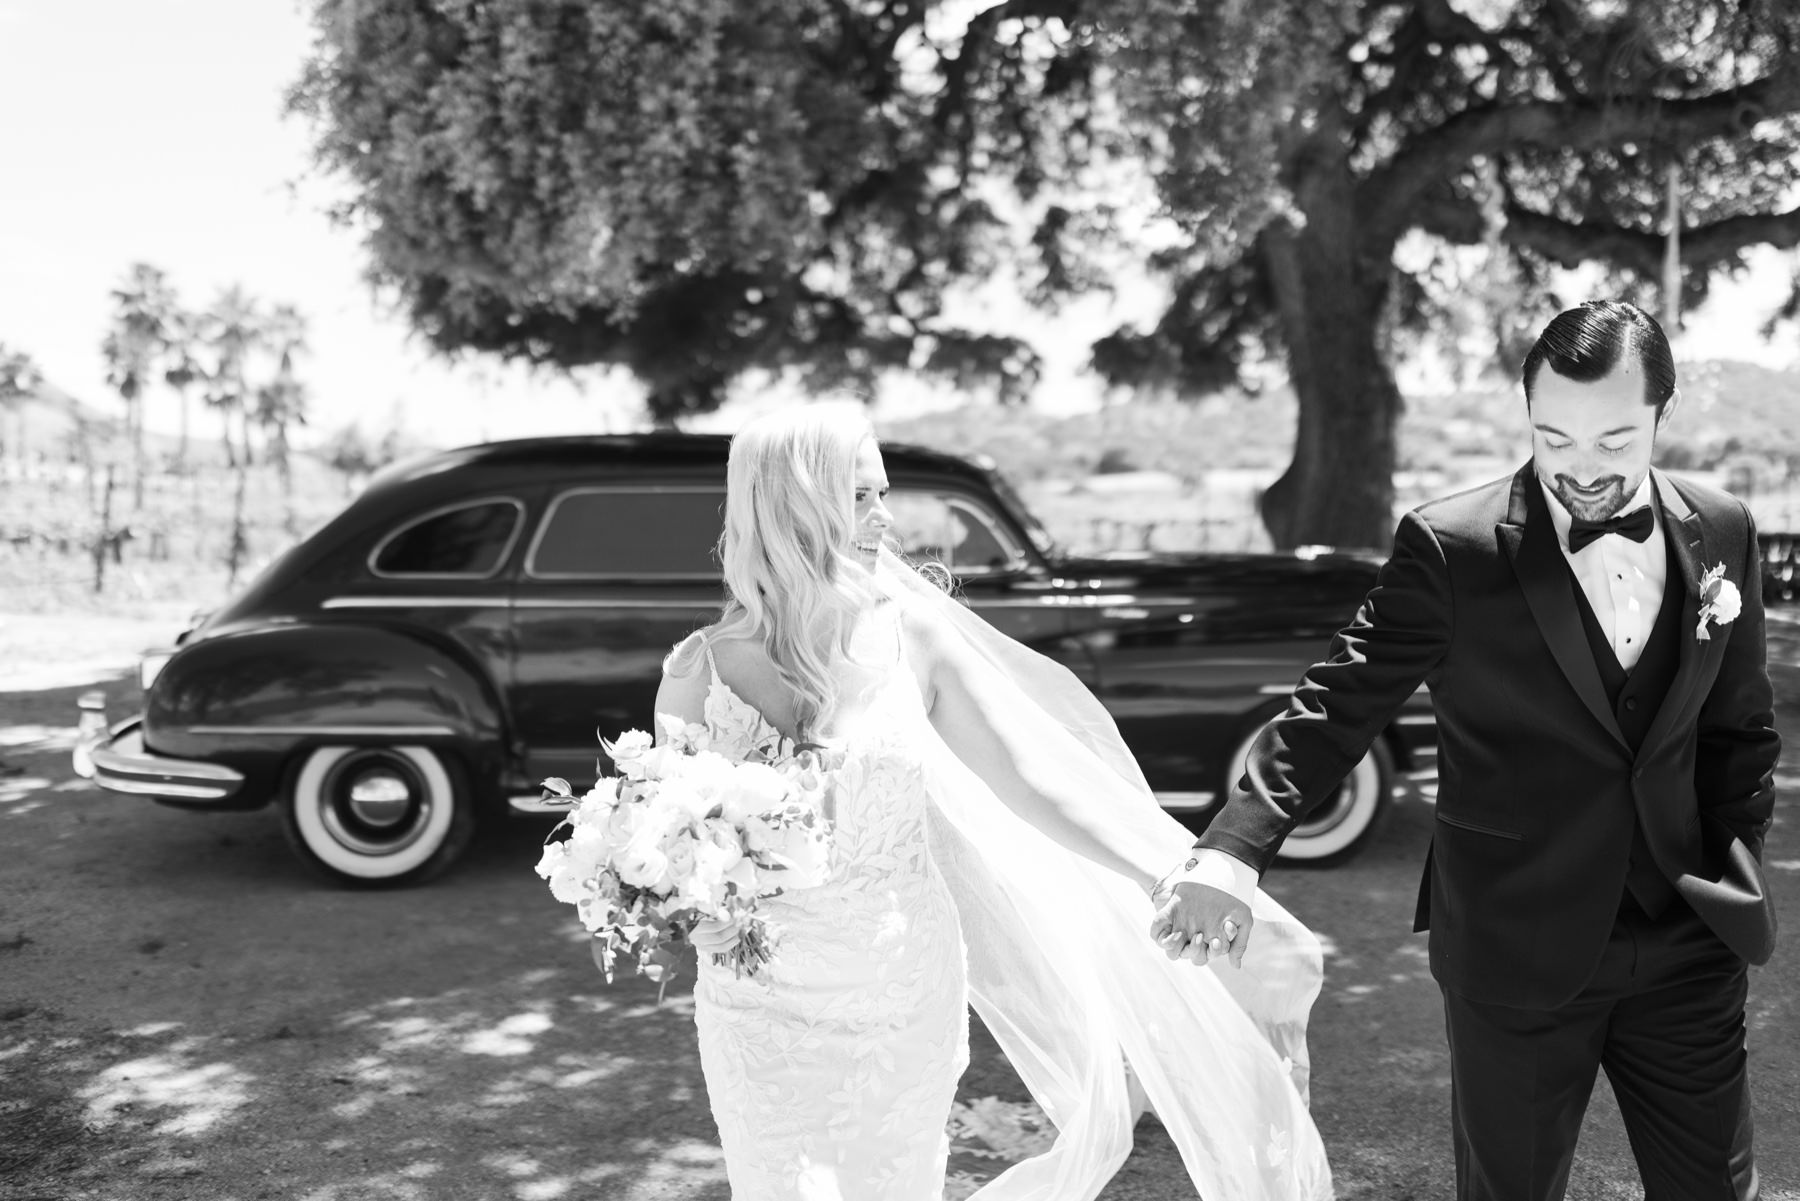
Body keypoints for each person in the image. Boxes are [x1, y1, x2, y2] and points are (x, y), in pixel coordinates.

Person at [1152, 300, 1779, 1200]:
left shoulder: (1722, 527)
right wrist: (1232, 847)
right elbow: (1338, 700)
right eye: (1554, 436)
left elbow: (1741, 726)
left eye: (1614, 440)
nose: (1582, 468)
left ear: (1662, 416)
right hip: (1514, 949)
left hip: (1688, 938)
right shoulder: (1453, 546)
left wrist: (1733, 858)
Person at [649, 404, 1334, 1201]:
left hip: (897, 989)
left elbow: (1031, 782)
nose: (886, 517)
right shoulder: (698, 671)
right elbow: (672, 841)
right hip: (754, 1000)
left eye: (884, 492)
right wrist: (684, 905)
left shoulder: (917, 641)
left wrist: (1166, 872)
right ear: (796, 505)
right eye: (862, 496)